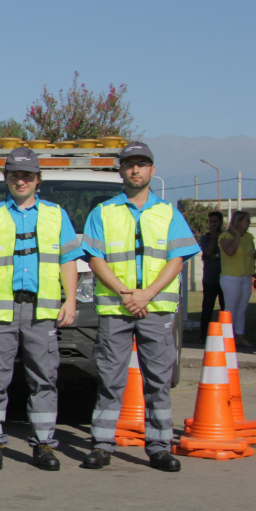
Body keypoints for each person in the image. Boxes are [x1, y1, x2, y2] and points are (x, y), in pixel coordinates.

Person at [0, 147, 82, 471]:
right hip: (0, 311)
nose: (21, 180)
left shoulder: (56, 215)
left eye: (27, 175)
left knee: (44, 379)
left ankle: (43, 444)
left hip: (41, 312)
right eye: (15, 175)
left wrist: (69, 300)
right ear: (6, 179)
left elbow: (69, 260)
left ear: (38, 179)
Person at [80, 141, 199, 472]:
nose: (135, 170)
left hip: (156, 308)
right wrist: (126, 294)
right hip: (117, 310)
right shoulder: (102, 212)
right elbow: (95, 258)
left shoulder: (168, 213)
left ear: (152, 170)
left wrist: (146, 294)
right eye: (129, 164)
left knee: (158, 380)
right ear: (121, 171)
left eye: (142, 164)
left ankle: (160, 446)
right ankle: (102, 444)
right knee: (109, 379)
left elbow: (177, 260)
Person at [219, 210, 256, 348]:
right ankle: (227, 338)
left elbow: (249, 255)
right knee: (231, 308)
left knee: (242, 308)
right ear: (238, 221)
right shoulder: (225, 236)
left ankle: (239, 336)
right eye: (247, 220)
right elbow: (230, 252)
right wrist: (237, 235)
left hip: (246, 276)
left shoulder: (249, 237)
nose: (249, 223)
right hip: (231, 277)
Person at [198, 210, 225, 337]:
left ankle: (225, 334)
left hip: (224, 278)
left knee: (225, 308)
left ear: (221, 222)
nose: (212, 224)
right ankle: (204, 336)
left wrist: (217, 255)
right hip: (210, 279)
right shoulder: (206, 238)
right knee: (207, 309)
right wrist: (213, 236)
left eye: (215, 222)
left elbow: (226, 255)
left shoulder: (226, 237)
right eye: (210, 222)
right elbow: (208, 253)